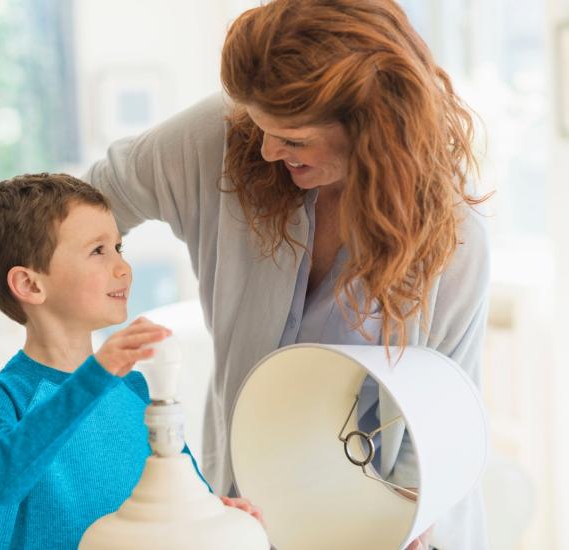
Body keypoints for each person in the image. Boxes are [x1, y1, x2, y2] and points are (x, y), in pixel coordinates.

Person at [83, 1, 491, 548]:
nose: (270, 150)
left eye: (295, 139)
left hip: (389, 525)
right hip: (241, 514)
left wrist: (403, 519)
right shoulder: (226, 137)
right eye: (260, 127)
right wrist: (77, 327)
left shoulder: (453, 238)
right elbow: (83, 208)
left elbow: (446, 411)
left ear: (376, 131)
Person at [0, 173, 262, 550]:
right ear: (30, 285)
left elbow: (180, 494)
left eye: (120, 247)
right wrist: (96, 375)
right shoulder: (3, 396)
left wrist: (216, 512)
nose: (123, 267)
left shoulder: (136, 389)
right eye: (98, 251)